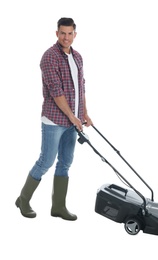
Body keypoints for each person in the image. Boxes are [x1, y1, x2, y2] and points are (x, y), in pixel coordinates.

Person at [15, 17, 93, 221]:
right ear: (56, 33)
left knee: (65, 162)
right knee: (45, 161)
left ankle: (58, 207)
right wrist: (73, 117)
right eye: (62, 33)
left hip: (73, 120)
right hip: (54, 120)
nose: (66, 37)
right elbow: (56, 92)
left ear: (75, 34)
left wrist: (83, 113)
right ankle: (23, 199)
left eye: (70, 33)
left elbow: (81, 87)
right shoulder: (49, 57)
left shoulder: (77, 57)